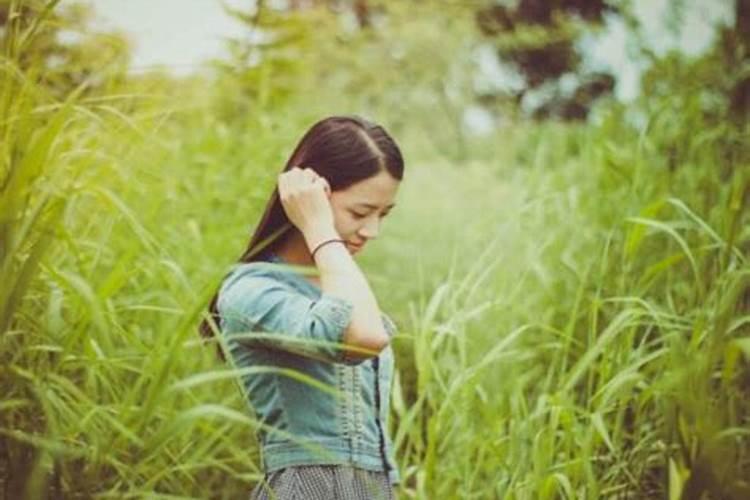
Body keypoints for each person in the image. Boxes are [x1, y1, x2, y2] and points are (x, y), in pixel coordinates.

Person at [198, 115, 404, 499]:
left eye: (383, 214)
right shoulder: (252, 289)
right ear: (310, 198)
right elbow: (365, 337)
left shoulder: (337, 282)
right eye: (360, 213)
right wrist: (321, 231)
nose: (372, 230)